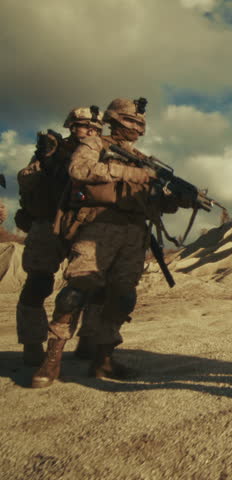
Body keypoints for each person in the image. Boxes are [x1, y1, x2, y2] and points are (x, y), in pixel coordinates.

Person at [31, 97, 184, 388]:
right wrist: (131, 173)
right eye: (131, 121)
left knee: (123, 296)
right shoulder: (95, 146)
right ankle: (52, 359)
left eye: (140, 124)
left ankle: (103, 359)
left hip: (133, 233)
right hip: (98, 227)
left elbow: (157, 203)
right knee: (77, 291)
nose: (137, 128)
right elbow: (79, 170)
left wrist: (174, 199)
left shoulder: (145, 159)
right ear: (113, 120)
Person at [16, 106, 103, 366]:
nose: (89, 131)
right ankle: (32, 344)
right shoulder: (52, 151)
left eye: (95, 128)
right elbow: (25, 181)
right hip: (47, 224)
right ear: (71, 127)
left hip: (85, 225)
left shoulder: (103, 153)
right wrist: (46, 161)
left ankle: (87, 341)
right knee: (38, 283)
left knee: (90, 285)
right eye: (83, 126)